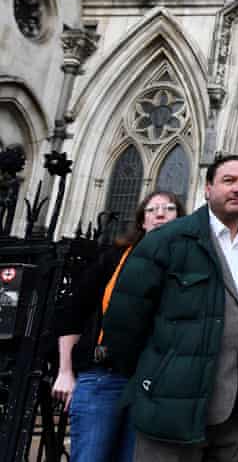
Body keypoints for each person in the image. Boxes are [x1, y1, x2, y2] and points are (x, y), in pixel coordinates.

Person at [102, 155, 238, 461]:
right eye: (229, 180)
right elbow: (123, 323)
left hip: (236, 413)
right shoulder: (167, 240)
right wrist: (157, 377)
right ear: (207, 188)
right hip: (170, 408)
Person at [52, 191, 185, 462]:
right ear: (142, 221)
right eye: (152, 210)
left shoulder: (186, 266)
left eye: (170, 209)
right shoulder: (115, 259)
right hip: (104, 376)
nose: (160, 214)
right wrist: (65, 371)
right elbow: (74, 311)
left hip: (152, 385)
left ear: (181, 220)